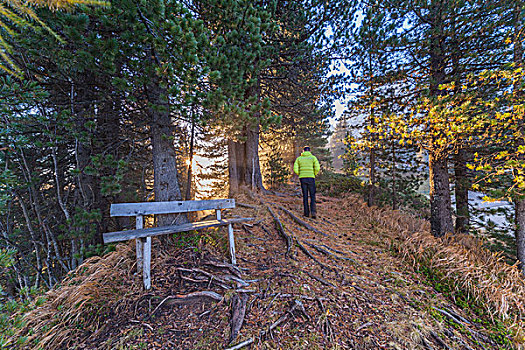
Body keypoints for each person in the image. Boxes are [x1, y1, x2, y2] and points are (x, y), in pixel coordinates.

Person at [293, 146, 320, 218]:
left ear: (303, 151)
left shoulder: (299, 158)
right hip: (311, 178)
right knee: (312, 195)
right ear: (309, 151)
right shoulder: (313, 158)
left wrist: (299, 173)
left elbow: (295, 168)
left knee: (305, 196)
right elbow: (317, 168)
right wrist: (314, 173)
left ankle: (306, 213)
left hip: (303, 178)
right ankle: (313, 212)